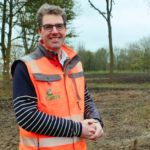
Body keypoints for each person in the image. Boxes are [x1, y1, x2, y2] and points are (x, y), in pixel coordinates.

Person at [11, 3, 104, 150]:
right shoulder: (25, 66)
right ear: (40, 31)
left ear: (65, 30)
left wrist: (96, 121)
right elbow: (26, 116)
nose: (55, 31)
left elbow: (85, 99)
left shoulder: (75, 63)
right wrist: (78, 129)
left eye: (59, 26)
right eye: (48, 27)